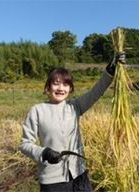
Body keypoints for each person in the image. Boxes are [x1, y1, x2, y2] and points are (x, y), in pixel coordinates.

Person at [19, 53, 121, 192]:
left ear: (70, 89)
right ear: (48, 87)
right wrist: (44, 152)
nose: (61, 88)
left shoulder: (75, 107)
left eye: (66, 84)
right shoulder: (37, 111)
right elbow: (25, 144)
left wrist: (110, 70)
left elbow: (96, 91)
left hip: (80, 175)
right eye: (56, 84)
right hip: (53, 181)